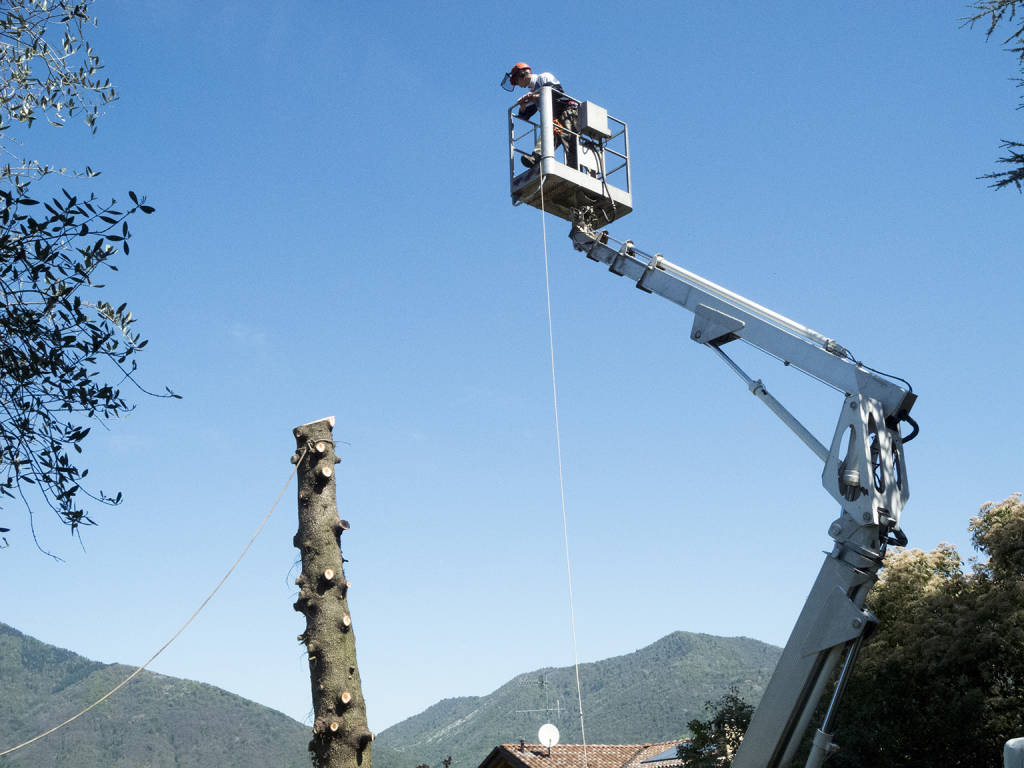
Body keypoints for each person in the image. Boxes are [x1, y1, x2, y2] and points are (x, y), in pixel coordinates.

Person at [502, 62, 578, 169]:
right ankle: (536, 157)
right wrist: (523, 105)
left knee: (569, 138)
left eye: (517, 80)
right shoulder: (533, 91)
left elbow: (557, 92)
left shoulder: (544, 77)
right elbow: (524, 115)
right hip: (555, 118)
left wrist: (535, 97)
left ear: (523, 75)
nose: (518, 84)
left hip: (568, 112)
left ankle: (574, 168)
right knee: (547, 133)